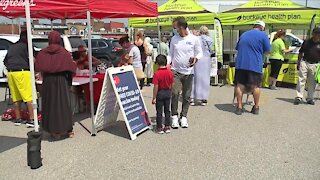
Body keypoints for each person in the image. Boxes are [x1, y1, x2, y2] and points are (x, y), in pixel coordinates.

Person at [35, 31, 77, 139]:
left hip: (48, 81)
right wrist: (69, 81)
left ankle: (53, 130)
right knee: (63, 105)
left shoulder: (43, 53)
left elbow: (38, 66)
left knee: (50, 105)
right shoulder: (64, 53)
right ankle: (68, 130)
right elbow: (71, 68)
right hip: (61, 80)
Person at [168, 17, 202, 128]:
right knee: (175, 93)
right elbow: (170, 54)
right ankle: (174, 116)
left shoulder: (194, 39)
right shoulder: (174, 39)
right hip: (176, 71)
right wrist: (167, 64)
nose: (175, 30)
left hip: (189, 71)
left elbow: (200, 53)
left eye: (175, 28)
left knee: (186, 96)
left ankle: (183, 117)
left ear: (181, 27)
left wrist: (196, 58)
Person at [234, 21, 271, 115]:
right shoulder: (263, 35)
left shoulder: (244, 34)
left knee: (240, 85)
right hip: (255, 65)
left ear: (254, 26)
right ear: (262, 27)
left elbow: (238, 48)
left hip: (241, 64)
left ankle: (239, 107)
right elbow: (267, 51)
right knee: (256, 86)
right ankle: (256, 107)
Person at [4, 30, 35, 127]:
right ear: (26, 38)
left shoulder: (12, 46)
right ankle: (32, 119)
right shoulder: (27, 46)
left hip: (11, 72)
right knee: (29, 97)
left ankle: (18, 119)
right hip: (22, 72)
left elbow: (5, 61)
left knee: (16, 97)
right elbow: (33, 59)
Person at [294, 27, 320, 105]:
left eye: (319, 34)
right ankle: (299, 97)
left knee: (312, 83)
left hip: (315, 64)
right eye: (316, 33)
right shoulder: (307, 42)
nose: (317, 35)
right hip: (305, 62)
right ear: (313, 34)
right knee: (301, 80)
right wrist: (299, 62)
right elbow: (301, 52)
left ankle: (310, 98)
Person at [191, 25, 214, 106]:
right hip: (206, 59)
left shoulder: (196, 38)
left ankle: (193, 98)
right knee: (205, 79)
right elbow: (212, 50)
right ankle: (204, 99)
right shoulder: (210, 39)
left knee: (195, 78)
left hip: (197, 59)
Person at [152, 55, 174, 134]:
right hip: (167, 92)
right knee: (167, 110)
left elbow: (156, 86)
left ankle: (159, 127)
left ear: (157, 63)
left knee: (159, 111)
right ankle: (167, 126)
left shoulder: (157, 74)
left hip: (160, 93)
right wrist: (170, 91)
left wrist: (154, 97)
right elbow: (172, 83)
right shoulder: (169, 72)